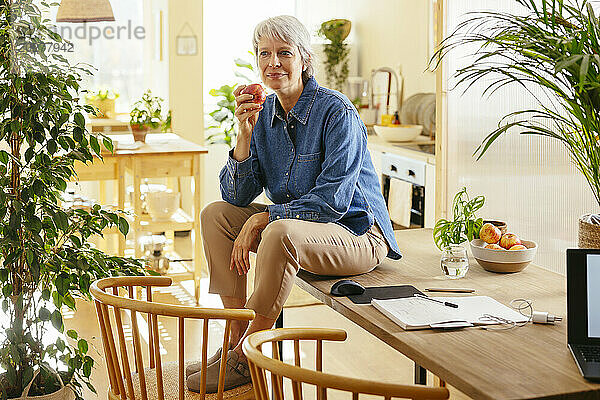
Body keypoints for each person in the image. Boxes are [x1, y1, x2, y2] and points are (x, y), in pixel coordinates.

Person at [187, 15, 401, 393]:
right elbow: (235, 197)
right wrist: (244, 134)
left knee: (278, 230)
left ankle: (247, 352)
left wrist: (265, 218)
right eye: (264, 53)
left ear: (304, 58)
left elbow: (332, 200)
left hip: (357, 233)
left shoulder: (337, 112)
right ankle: (236, 342)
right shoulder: (264, 114)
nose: (273, 63)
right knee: (215, 215)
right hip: (298, 231)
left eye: (284, 53)